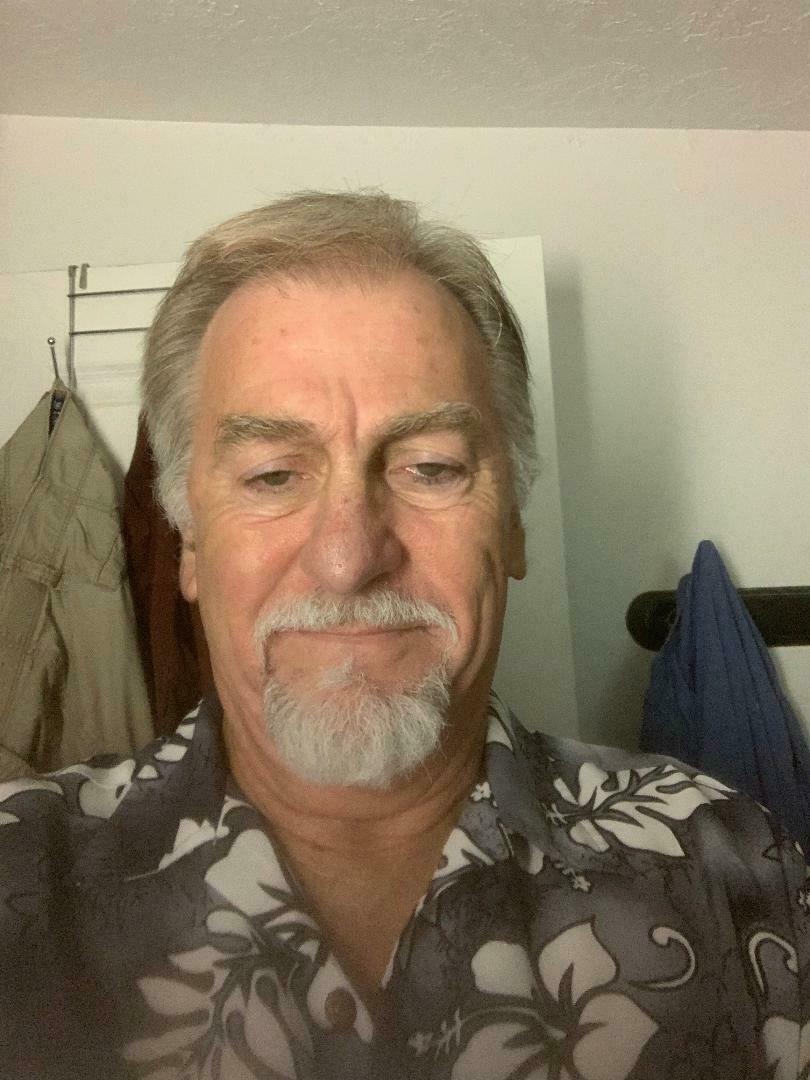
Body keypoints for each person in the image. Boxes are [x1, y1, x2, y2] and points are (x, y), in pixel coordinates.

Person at [0, 192, 807, 1080]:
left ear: (513, 526)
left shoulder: (735, 869)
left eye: (430, 467)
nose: (348, 559)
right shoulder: (19, 878)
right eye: (272, 476)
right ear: (189, 543)